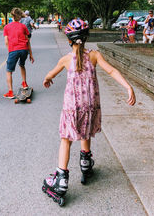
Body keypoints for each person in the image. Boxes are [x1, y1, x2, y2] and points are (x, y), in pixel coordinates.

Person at [41, 19, 136, 202]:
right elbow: (112, 71)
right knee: (85, 132)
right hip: (90, 106)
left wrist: (46, 79)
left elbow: (50, 74)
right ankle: (85, 164)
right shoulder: (94, 56)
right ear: (85, 39)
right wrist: (128, 87)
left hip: (71, 108)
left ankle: (61, 180)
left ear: (69, 39)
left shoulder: (66, 59)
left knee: (66, 140)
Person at [3, 8, 35, 99]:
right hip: (24, 50)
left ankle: (10, 92)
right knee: (22, 65)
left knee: (9, 71)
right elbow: (28, 41)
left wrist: (10, 52)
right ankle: (24, 83)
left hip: (13, 50)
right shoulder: (23, 26)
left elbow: (6, 42)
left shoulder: (7, 27)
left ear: (12, 16)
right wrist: (31, 54)